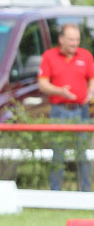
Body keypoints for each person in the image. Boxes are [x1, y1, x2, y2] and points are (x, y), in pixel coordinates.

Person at [37, 23, 94, 191]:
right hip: (59, 110)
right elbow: (42, 84)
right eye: (71, 40)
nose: (74, 43)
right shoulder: (49, 56)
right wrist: (60, 91)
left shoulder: (85, 55)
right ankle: (55, 192)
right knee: (58, 153)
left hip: (81, 111)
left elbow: (92, 78)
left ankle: (85, 192)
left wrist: (91, 91)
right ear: (61, 39)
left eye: (77, 40)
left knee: (83, 153)